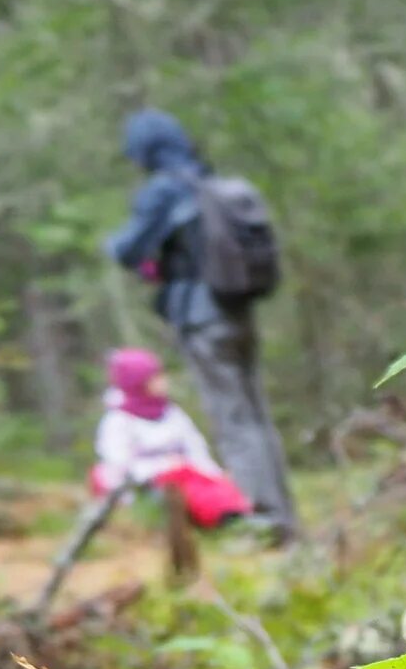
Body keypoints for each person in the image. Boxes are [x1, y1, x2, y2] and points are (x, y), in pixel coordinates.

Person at [106, 108, 297, 539]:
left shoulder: (163, 191)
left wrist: (117, 245)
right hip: (237, 310)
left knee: (234, 422)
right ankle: (284, 518)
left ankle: (265, 524)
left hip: (201, 317)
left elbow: (128, 250)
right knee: (255, 417)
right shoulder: (209, 184)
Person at [90, 348, 248, 528]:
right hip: (148, 485)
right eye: (155, 378)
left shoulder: (171, 413)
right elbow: (118, 464)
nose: (163, 381)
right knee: (189, 490)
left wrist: (212, 474)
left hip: (187, 473)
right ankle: (225, 517)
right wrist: (163, 467)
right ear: (138, 382)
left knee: (214, 484)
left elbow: (196, 448)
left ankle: (237, 511)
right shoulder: (119, 421)